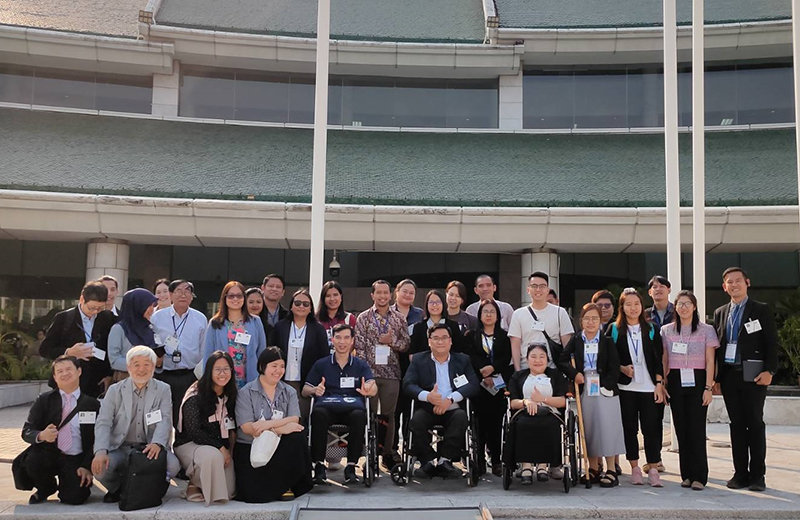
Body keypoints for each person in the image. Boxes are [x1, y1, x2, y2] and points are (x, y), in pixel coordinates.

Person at [713, 267, 778, 492]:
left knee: (755, 425)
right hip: (730, 377)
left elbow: (772, 343)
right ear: (724, 287)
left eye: (738, 281)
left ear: (747, 282)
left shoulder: (761, 310)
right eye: (729, 282)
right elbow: (719, 347)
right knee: (737, 426)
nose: (734, 285)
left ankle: (758, 475)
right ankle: (740, 473)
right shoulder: (721, 312)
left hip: (754, 376)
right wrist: (717, 378)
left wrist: (770, 370)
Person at [92, 346, 181, 503]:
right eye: (136, 364)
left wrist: (157, 443)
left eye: (147, 364)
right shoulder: (114, 390)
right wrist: (100, 450)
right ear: (128, 367)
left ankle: (152, 488)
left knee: (172, 466)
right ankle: (119, 489)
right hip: (121, 447)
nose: (142, 369)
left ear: (154, 367)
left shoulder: (163, 389)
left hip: (148, 447)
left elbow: (165, 419)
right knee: (100, 469)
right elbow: (103, 422)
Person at [233, 347, 313, 503]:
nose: (279, 370)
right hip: (253, 447)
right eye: (274, 366)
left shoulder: (288, 391)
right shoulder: (246, 392)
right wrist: (279, 428)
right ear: (263, 366)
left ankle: (287, 485)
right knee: (253, 495)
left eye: (282, 366)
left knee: (297, 436)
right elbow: (249, 428)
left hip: (278, 445)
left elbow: (294, 419)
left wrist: (268, 425)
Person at [558, 303, 624, 487]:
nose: (591, 322)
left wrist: (605, 385)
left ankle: (611, 468)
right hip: (585, 387)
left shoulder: (607, 341)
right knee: (591, 427)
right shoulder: (577, 340)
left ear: (600, 321)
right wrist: (574, 374)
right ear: (581, 321)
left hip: (605, 388)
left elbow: (614, 368)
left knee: (607, 428)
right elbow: (563, 359)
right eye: (587, 318)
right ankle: (593, 467)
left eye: (595, 318)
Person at [606, 288, 667, 487]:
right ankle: (634, 468)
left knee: (651, 429)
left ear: (642, 306)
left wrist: (659, 383)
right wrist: (622, 368)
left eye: (637, 304)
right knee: (629, 429)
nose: (633, 308)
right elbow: (607, 358)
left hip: (649, 387)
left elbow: (658, 358)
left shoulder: (650, 329)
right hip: (626, 389)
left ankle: (654, 468)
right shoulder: (614, 329)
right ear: (622, 307)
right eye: (628, 304)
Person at [20, 355, 101, 504]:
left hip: (75, 458)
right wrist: (41, 435)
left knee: (74, 498)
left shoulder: (92, 404)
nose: (65, 374)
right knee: (33, 460)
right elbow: (27, 431)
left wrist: (86, 465)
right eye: (60, 371)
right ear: (55, 377)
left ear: (79, 371)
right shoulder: (44, 400)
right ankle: (46, 488)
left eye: (69, 369)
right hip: (50, 454)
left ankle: (71, 485)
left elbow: (98, 439)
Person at [402, 323, 479, 479]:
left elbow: (473, 385)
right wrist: (428, 396)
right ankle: (428, 460)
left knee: (461, 418)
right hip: (428, 407)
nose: (440, 342)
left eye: (444, 338)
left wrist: (449, 400)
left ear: (450, 341)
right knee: (416, 421)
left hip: (452, 407)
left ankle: (445, 460)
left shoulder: (462, 360)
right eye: (436, 338)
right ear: (429, 341)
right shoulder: (418, 359)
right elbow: (408, 385)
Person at [304, 323, 377, 485]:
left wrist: (368, 390)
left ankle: (351, 467)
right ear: (332, 340)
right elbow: (305, 389)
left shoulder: (360, 365)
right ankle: (319, 466)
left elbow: (373, 387)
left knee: (360, 416)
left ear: (352, 341)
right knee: (318, 414)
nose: (342, 342)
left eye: (346, 338)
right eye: (338, 338)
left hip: (352, 408)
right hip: (327, 407)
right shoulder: (321, 364)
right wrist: (315, 390)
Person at [661, 290, 718, 491]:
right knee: (681, 428)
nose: (683, 308)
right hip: (676, 380)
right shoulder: (667, 330)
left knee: (696, 428)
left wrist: (708, 387)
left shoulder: (706, 330)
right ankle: (686, 475)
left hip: (698, 379)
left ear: (695, 306)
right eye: (680, 304)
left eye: (688, 304)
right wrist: (664, 383)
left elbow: (711, 360)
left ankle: (699, 476)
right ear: (675, 307)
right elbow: (665, 359)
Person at [354, 279, 411, 469]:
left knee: (389, 415)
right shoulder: (363, 318)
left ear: (390, 294)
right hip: (369, 374)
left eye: (386, 292)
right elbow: (359, 348)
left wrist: (391, 340)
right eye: (378, 293)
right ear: (372, 295)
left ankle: (387, 453)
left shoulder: (399, 318)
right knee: (369, 414)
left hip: (391, 373)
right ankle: (369, 454)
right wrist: (365, 374)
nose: (382, 296)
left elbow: (405, 344)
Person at [174, 351, 237, 505]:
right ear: (209, 371)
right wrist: (221, 448)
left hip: (219, 447)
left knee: (228, 492)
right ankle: (193, 483)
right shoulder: (195, 395)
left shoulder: (231, 394)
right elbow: (194, 431)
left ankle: (204, 485)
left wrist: (229, 450)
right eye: (217, 369)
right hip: (190, 444)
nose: (222, 374)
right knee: (212, 455)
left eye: (226, 369)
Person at [39, 281, 115, 398]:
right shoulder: (64, 318)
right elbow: (45, 349)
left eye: (100, 308)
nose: (95, 312)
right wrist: (69, 352)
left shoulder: (107, 318)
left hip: (96, 384)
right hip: (68, 382)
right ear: (81, 299)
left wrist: (109, 375)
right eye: (92, 308)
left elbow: (110, 350)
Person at [506, 344, 568, 484]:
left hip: (551, 413)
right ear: (527, 360)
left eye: (542, 357)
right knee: (522, 424)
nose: (538, 360)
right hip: (524, 413)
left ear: (547, 359)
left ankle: (543, 466)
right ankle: (526, 466)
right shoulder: (519, 376)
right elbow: (512, 402)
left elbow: (563, 401)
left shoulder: (555, 375)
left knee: (549, 425)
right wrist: (526, 402)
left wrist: (543, 399)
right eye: (533, 357)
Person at [151, 279, 208, 427]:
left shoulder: (200, 318)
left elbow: (204, 349)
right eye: (179, 291)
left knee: (186, 417)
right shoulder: (157, 317)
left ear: (192, 296)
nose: (183, 295)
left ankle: (181, 446)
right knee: (161, 416)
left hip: (189, 375)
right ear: (170, 294)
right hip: (163, 374)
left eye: (187, 291)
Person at [465, 299, 512, 477]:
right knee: (479, 424)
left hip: (498, 385)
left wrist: (493, 369)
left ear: (498, 315)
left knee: (496, 424)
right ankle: (479, 460)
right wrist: (483, 371)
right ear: (480, 315)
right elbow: (470, 355)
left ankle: (496, 460)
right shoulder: (472, 335)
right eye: (485, 311)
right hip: (478, 385)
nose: (489, 315)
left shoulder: (504, 336)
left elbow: (506, 357)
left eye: (492, 311)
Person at [271, 288, 329, 420]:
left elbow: (324, 357)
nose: (301, 306)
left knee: (301, 419)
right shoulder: (281, 327)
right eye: (297, 303)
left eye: (305, 304)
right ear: (291, 306)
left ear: (310, 308)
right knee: (280, 418)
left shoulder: (318, 329)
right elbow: (272, 352)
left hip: (306, 383)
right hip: (282, 381)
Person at [203, 281, 267, 389]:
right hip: (222, 381)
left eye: (239, 296)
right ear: (225, 298)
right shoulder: (215, 323)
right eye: (231, 296)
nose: (235, 299)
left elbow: (262, 352)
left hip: (250, 380)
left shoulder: (255, 322)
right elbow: (208, 355)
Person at [509, 272, 574, 372]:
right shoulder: (518, 314)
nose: (538, 289)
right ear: (528, 290)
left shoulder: (560, 312)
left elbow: (567, 345)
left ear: (547, 290)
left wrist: (567, 370)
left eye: (542, 286)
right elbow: (515, 346)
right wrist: (518, 371)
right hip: (526, 369)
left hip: (553, 369)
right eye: (534, 286)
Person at [107, 288, 158, 381]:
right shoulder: (119, 329)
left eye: (153, 305)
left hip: (150, 379)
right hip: (125, 379)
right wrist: (139, 366)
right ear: (137, 306)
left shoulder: (150, 327)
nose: (152, 309)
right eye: (148, 305)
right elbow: (114, 360)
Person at [409, 289, 463, 355]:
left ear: (443, 304)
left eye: (438, 302)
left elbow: (459, 351)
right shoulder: (418, 327)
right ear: (426, 305)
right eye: (431, 302)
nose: (434, 305)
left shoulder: (453, 326)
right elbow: (413, 354)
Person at [316, 280, 357, 347]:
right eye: (328, 296)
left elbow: (354, 343)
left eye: (335, 295)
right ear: (323, 298)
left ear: (341, 297)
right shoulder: (315, 319)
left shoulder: (349, 318)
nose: (332, 299)